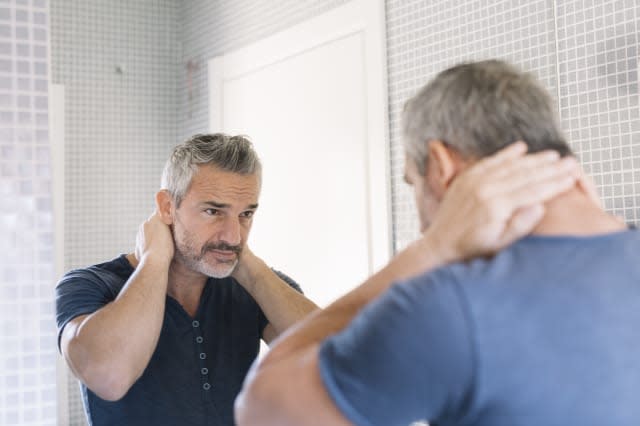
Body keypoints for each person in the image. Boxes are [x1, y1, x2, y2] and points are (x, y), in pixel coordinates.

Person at [235, 60, 638, 426]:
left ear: (442, 167)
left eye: (413, 182)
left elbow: (263, 410)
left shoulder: (451, 305)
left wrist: (433, 249)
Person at [55, 134, 320, 425]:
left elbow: (338, 362)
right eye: (213, 211)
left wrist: (251, 269)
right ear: (167, 207)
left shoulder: (256, 286)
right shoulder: (88, 284)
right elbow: (109, 377)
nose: (233, 236)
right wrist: (154, 259)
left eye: (245, 214)